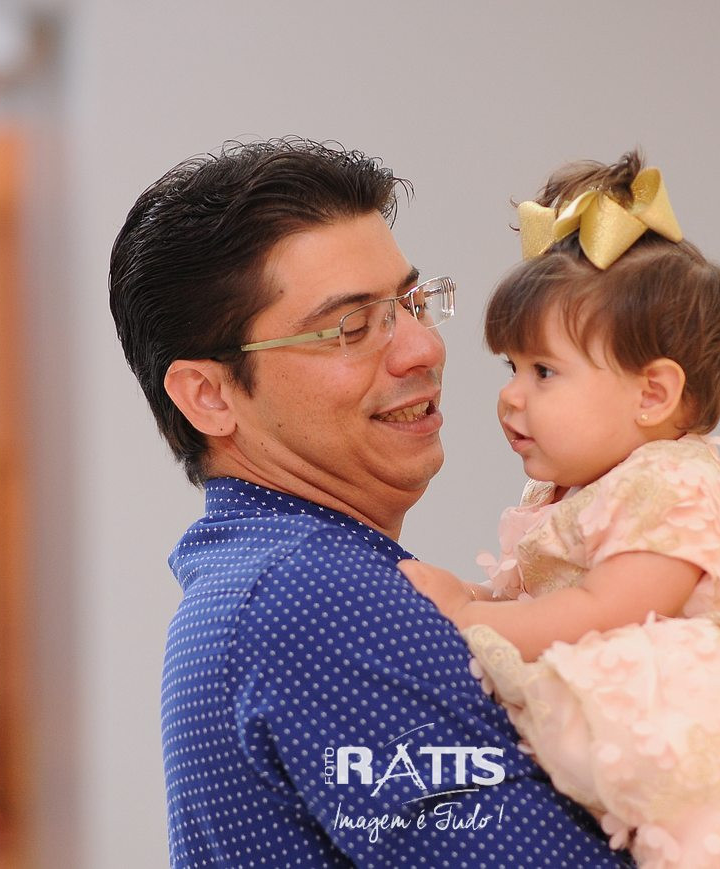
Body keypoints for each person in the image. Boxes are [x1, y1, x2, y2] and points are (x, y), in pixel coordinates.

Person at [108, 138, 634, 867]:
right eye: (352, 328)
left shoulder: (255, 582)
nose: (424, 349)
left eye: (412, 304)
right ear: (209, 395)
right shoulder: (314, 601)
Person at [401, 150, 720, 868]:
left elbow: (608, 608)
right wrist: (472, 594)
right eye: (510, 367)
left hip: (701, 722)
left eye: (543, 371)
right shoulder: (578, 488)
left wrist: (467, 615)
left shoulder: (674, 482)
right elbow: (545, 599)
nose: (511, 395)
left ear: (652, 394)